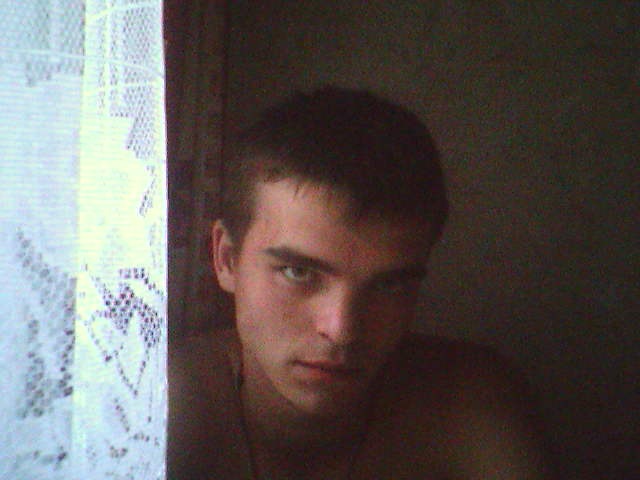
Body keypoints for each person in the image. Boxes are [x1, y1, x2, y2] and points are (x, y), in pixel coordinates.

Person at [168, 87, 550, 479]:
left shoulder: (468, 403)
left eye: (389, 286)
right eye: (298, 272)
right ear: (226, 259)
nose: (342, 330)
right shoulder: (156, 405)